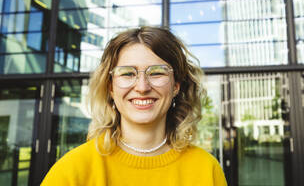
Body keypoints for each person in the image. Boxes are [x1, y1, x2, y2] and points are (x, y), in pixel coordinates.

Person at [41, 26, 227, 185]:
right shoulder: (72, 171)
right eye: (128, 73)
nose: (142, 87)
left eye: (156, 73)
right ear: (111, 88)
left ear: (176, 86)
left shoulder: (206, 170)